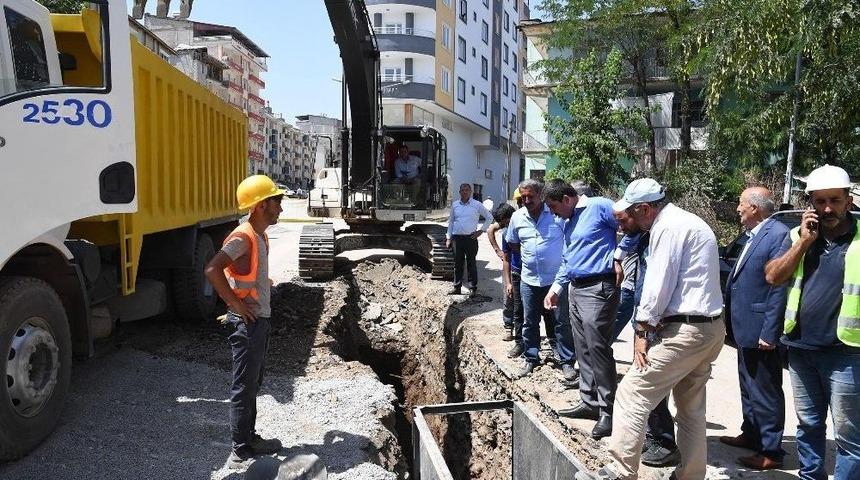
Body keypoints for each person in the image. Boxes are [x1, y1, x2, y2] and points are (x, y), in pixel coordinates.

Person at [577, 178, 725, 480]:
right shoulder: (687, 222)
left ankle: (619, 472)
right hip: (709, 328)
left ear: (644, 209)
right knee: (690, 407)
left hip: (684, 331)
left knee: (632, 393)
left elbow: (658, 285)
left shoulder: (667, 228)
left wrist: (642, 331)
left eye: (628, 216)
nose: (624, 224)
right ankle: (691, 475)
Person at [764, 164, 860, 480]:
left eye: (835, 200)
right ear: (811, 204)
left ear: (849, 200)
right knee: (808, 424)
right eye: (820, 201)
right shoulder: (797, 237)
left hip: (847, 353)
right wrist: (804, 243)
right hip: (801, 349)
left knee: (849, 437)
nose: (828, 208)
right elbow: (773, 277)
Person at [205, 175, 285, 469]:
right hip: (247, 323)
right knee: (244, 385)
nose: (280, 207)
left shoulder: (259, 235)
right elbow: (212, 269)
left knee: (253, 382)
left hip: (258, 320)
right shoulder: (243, 235)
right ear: (262, 205)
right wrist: (234, 303)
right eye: (277, 201)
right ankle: (241, 449)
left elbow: (247, 273)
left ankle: (249, 438)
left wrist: (263, 285)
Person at [543, 179, 623, 440]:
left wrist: (619, 254)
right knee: (583, 347)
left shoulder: (600, 207)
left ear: (567, 199)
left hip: (599, 287)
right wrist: (556, 288)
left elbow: (629, 227)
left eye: (555, 207)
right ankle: (589, 402)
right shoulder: (568, 221)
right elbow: (569, 258)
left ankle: (607, 410)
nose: (553, 214)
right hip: (576, 288)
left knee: (598, 348)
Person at [721, 187, 789, 470]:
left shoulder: (777, 235)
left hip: (760, 327)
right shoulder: (755, 234)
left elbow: (778, 287)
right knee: (748, 384)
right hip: (743, 326)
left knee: (765, 389)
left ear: (756, 209)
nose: (738, 209)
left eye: (741, 204)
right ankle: (751, 433)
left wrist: (769, 332)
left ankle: (770, 450)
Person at [612, 209, 680, 468]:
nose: (620, 226)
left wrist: (647, 326)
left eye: (623, 220)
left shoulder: (661, 238)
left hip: (655, 322)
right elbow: (627, 241)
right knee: (646, 381)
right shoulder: (640, 237)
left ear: (640, 213)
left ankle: (664, 442)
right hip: (644, 317)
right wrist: (618, 257)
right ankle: (655, 435)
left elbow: (660, 284)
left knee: (649, 383)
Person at [505, 179, 578, 383]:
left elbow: (569, 241)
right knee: (530, 321)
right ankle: (531, 357)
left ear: (540, 195)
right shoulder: (517, 217)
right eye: (523, 196)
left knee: (561, 321)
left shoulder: (555, 214)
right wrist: (532, 258)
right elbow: (513, 243)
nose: (527, 200)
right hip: (529, 279)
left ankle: (566, 362)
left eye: (531, 196)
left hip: (555, 280)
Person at [446, 183, 492, 296]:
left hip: (471, 238)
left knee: (471, 263)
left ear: (470, 192)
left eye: (467, 190)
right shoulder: (455, 205)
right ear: (459, 192)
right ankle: (457, 287)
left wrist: (481, 231)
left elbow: (489, 217)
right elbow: (451, 221)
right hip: (457, 239)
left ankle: (472, 288)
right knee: (458, 264)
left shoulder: (477, 205)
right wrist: (448, 237)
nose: (464, 192)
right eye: (462, 190)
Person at [489, 203, 519, 341]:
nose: (504, 226)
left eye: (505, 223)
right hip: (510, 267)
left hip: (525, 270)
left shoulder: (522, 222)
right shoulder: (507, 230)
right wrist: (498, 251)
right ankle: (509, 327)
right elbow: (490, 230)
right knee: (509, 297)